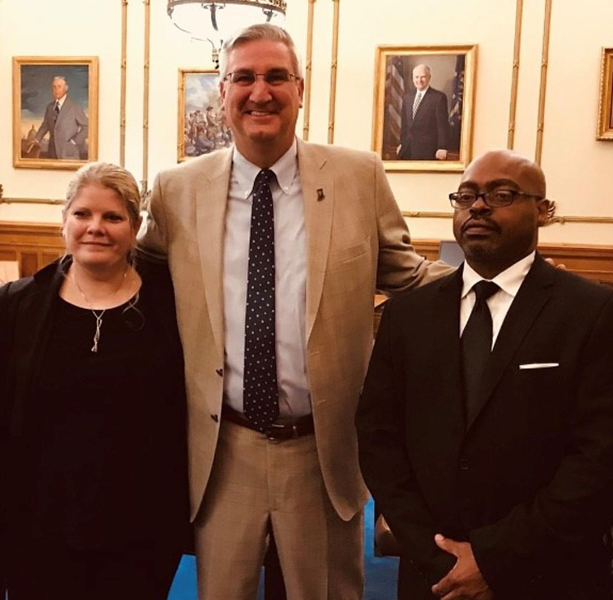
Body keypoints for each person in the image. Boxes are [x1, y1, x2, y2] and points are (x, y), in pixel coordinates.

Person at [137, 23, 451, 600]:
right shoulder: (177, 189)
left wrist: (511, 289)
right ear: (222, 89)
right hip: (222, 450)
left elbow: (407, 274)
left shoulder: (359, 176)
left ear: (300, 89)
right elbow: (134, 277)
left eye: (276, 77)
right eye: (244, 78)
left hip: (321, 450)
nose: (261, 92)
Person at [356, 149, 613, 600]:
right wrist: (436, 554)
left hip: (546, 574)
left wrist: (494, 559)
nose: (478, 206)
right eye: (466, 195)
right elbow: (378, 439)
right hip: (434, 575)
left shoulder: (594, 313)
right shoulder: (406, 317)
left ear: (544, 211)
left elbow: (602, 459)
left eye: (502, 194)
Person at [0, 162, 188, 600]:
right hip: (39, 524)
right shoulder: (20, 303)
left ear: (134, 228)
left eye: (113, 217)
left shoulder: (172, 304)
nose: (96, 227)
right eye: (82, 214)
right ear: (64, 221)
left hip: (140, 527)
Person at [397, 64, 450, 161]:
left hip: (428, 151)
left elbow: (442, 125)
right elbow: (404, 124)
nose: (419, 80)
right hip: (407, 149)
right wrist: (402, 143)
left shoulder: (438, 98)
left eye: (423, 77)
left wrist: (442, 147)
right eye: (416, 77)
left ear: (429, 78)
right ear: (412, 78)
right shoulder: (407, 98)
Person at [34, 76, 89, 160]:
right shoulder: (50, 107)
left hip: (68, 154)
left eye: (59, 87)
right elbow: (45, 126)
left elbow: (87, 127)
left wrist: (74, 141)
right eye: (54, 87)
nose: (56, 90)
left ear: (66, 88)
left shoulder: (74, 106)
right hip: (52, 153)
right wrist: (36, 139)